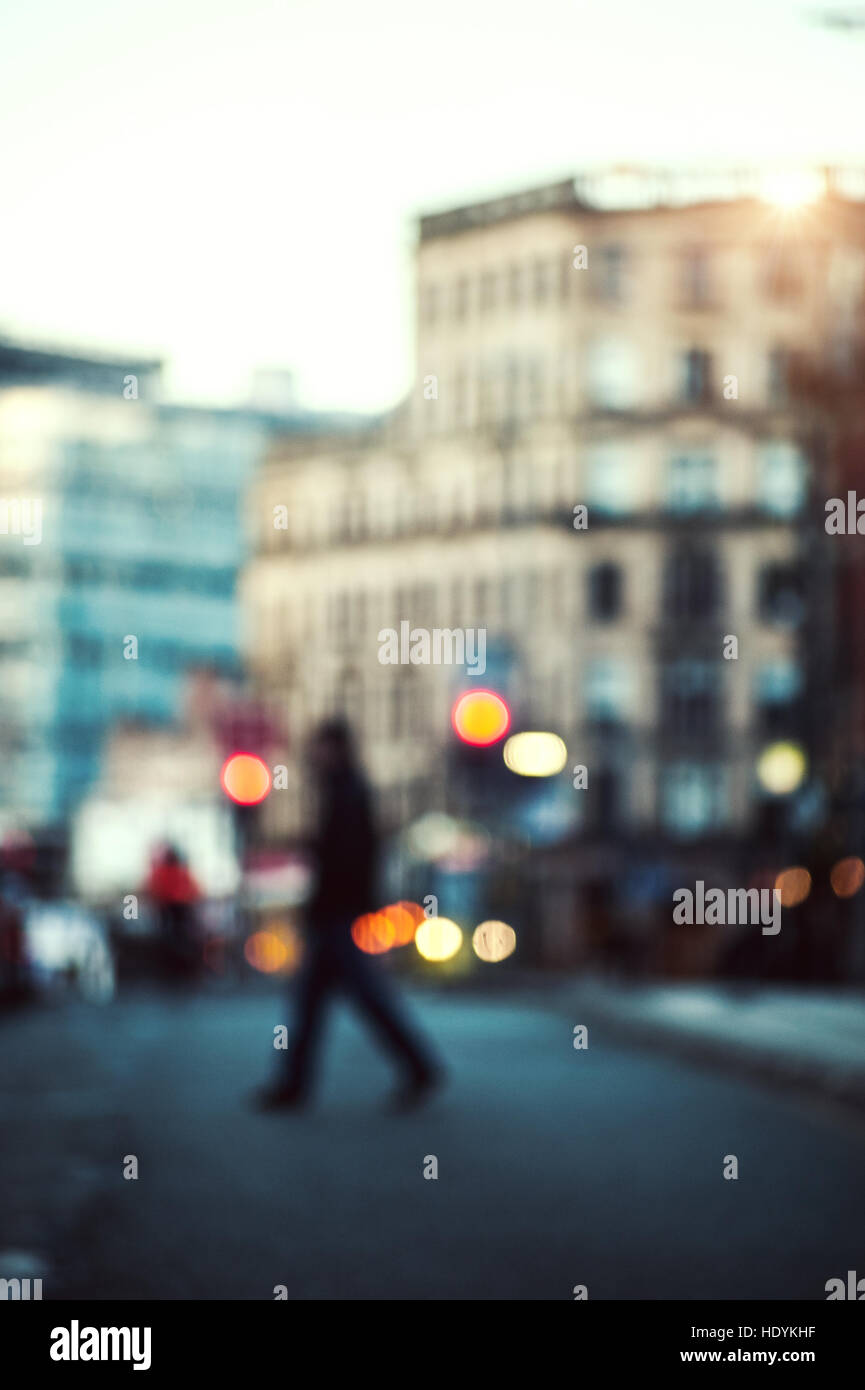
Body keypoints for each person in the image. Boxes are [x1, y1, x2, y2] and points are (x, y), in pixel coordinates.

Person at [256, 718, 443, 1111]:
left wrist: (332, 894)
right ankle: (295, 1085)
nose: (314, 755)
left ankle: (417, 1067)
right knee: (321, 1003)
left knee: (353, 1000)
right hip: (335, 914)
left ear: (336, 748)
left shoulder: (348, 792)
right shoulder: (342, 789)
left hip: (337, 915)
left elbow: (350, 858)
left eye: (320, 747)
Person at [144, 844, 202, 980]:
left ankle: (171, 969)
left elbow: (152, 891)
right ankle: (182, 969)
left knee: (170, 940)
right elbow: (194, 891)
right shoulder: (181, 872)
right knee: (182, 940)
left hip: (169, 911)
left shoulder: (162, 872)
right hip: (180, 910)